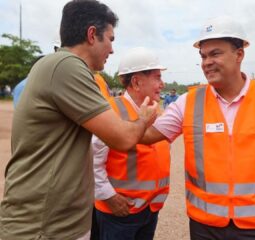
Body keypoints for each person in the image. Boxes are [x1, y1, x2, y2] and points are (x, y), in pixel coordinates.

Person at [140, 16, 255, 240]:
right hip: (205, 225)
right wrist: (138, 120)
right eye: (203, 56)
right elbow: (148, 136)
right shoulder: (188, 102)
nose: (206, 62)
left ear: (239, 54)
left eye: (215, 53)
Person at [0, 1, 158, 240]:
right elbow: (123, 138)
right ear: (92, 35)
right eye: (110, 39)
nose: (112, 50)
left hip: (56, 223)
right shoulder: (66, 66)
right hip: (43, 227)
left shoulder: (61, 68)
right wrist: (143, 119)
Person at [92, 47, 170, 240]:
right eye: (157, 77)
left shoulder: (156, 111)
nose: (162, 83)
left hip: (149, 209)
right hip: (119, 213)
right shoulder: (110, 111)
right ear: (136, 81)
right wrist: (109, 197)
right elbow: (91, 160)